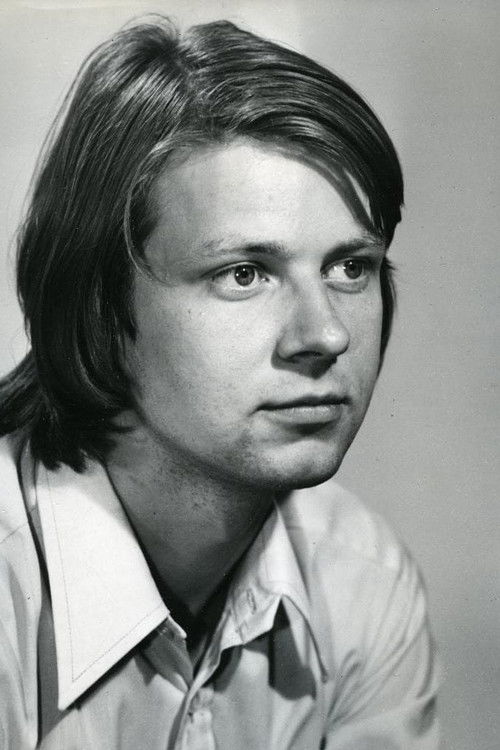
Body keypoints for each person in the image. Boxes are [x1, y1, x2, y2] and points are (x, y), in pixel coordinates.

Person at [0, 15, 440, 749]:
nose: (325, 335)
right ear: (101, 307)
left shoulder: (360, 580)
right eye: (244, 274)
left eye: (349, 267)